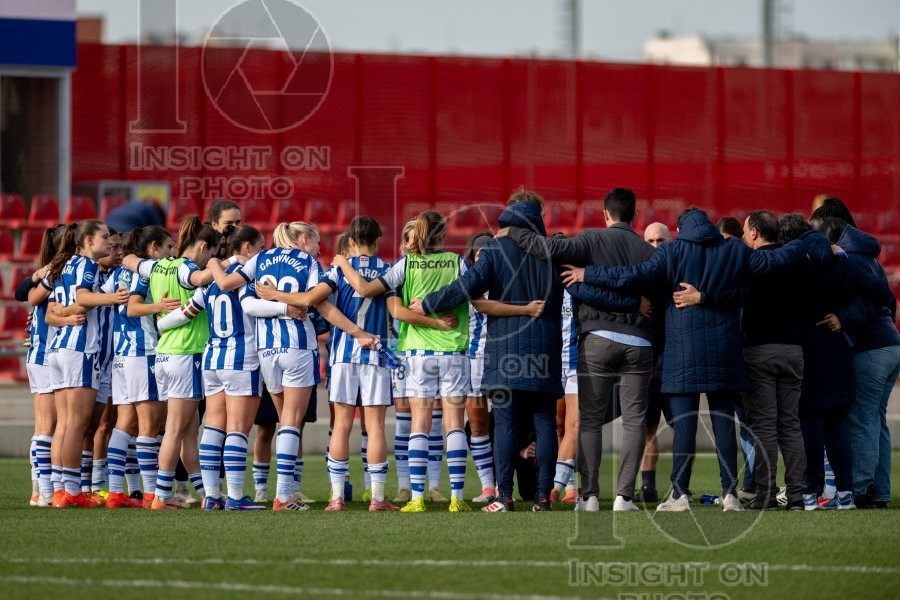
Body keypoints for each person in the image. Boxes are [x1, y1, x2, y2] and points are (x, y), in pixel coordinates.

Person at [563, 207, 833, 512]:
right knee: (724, 424)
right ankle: (731, 494)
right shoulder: (733, 248)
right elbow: (771, 263)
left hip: (682, 352)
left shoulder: (673, 252)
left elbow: (632, 276)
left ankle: (680, 494)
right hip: (724, 351)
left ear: (679, 229)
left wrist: (589, 273)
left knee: (685, 426)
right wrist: (808, 235)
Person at [497, 188, 655, 513]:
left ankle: (590, 496)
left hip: (596, 338)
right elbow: (652, 297)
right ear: (634, 216)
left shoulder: (591, 240)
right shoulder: (648, 251)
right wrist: (633, 306)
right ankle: (624, 497)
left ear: (605, 214)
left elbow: (547, 248)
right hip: (640, 342)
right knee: (635, 420)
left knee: (590, 421)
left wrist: (514, 230)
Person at [415, 192, 566, 513]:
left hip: (505, 354)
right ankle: (542, 497)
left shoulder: (496, 249)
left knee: (506, 425)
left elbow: (466, 285)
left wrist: (428, 303)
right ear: (538, 216)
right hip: (546, 351)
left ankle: (504, 497)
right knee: (545, 423)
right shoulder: (553, 248)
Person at [333, 210, 471, 513]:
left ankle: (417, 497)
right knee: (454, 426)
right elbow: (475, 294)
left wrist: (342, 261)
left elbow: (373, 295)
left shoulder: (405, 264)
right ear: (443, 236)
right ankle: (457, 498)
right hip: (455, 353)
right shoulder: (458, 262)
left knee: (419, 425)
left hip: (417, 353)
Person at [123, 216, 221, 509]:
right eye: (211, 255)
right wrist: (225, 265)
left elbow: (129, 260)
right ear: (203, 246)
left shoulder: (156, 265)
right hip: (185, 352)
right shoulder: (186, 267)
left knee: (188, 430)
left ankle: (207, 494)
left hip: (166, 353)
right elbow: (200, 279)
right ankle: (161, 497)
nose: (210, 261)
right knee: (176, 430)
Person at [45, 220, 129, 508]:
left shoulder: (65, 265)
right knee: (75, 424)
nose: (110, 241)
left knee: (64, 424)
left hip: (59, 346)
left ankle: (59, 490)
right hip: (79, 348)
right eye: (105, 236)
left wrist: (66, 312)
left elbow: (55, 307)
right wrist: (113, 297)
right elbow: (82, 298)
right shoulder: (87, 265)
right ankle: (71, 491)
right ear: (89, 241)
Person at [820, 218, 900, 508]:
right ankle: (880, 490)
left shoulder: (849, 260)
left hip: (871, 349)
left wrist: (843, 318)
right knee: (875, 420)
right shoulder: (869, 259)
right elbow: (887, 301)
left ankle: (860, 488)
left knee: (861, 419)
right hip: (889, 344)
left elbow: (871, 301)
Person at [103, 226, 180, 509]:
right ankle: (151, 495)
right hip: (143, 351)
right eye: (168, 247)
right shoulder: (146, 272)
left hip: (122, 355)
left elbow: (107, 300)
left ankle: (115, 492)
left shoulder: (117, 273)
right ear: (153, 248)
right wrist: (159, 305)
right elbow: (133, 308)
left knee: (124, 425)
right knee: (149, 426)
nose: (171, 253)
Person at [17, 226, 72, 507]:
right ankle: (46, 492)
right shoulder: (56, 273)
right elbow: (25, 296)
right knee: (49, 427)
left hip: (42, 355)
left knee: (45, 427)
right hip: (47, 355)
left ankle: (40, 490)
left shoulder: (57, 272)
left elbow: (23, 294)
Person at [636, 222, 672, 503]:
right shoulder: (639, 278)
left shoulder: (677, 273)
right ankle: (648, 488)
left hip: (675, 362)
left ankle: (681, 487)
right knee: (647, 428)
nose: (656, 246)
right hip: (646, 363)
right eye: (650, 241)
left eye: (661, 241)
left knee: (681, 426)